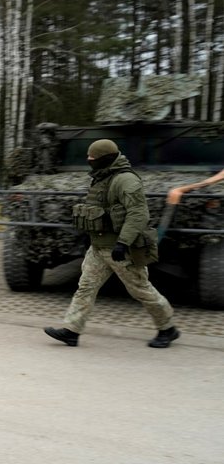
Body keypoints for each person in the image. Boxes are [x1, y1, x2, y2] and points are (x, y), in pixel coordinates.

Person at [44, 139, 179, 349]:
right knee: (86, 288)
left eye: (92, 158)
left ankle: (168, 328)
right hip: (98, 247)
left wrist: (123, 243)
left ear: (105, 159)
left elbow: (138, 214)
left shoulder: (126, 180)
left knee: (141, 290)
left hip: (121, 249)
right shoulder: (102, 177)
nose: (89, 161)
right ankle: (71, 330)